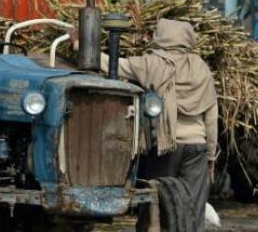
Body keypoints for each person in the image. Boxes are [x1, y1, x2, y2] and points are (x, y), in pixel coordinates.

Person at [83, 18, 217, 232]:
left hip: (167, 145)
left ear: (161, 37)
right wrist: (210, 155)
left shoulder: (152, 63)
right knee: (194, 206)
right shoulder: (201, 68)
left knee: (156, 198)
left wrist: (79, 44)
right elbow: (211, 115)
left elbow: (113, 65)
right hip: (197, 145)